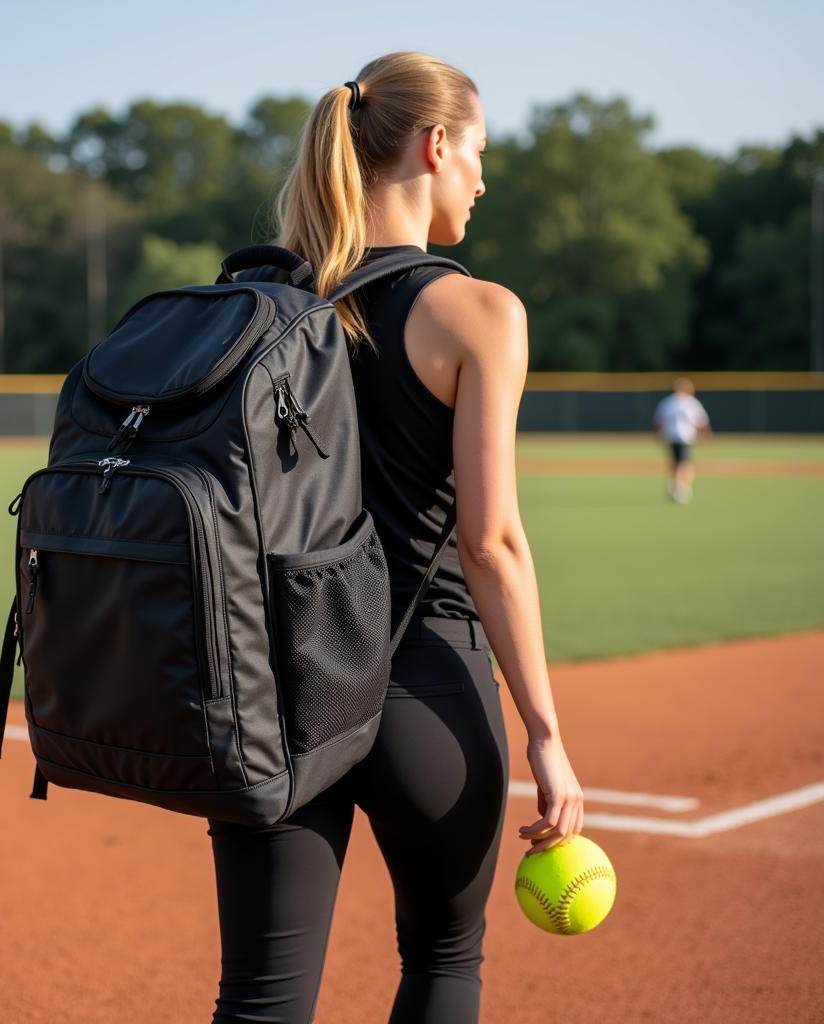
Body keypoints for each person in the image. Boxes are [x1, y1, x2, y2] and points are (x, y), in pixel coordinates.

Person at [206, 51, 584, 1024]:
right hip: (428, 692)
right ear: (436, 143)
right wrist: (547, 734)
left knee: (260, 999)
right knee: (444, 961)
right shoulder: (479, 312)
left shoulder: (267, 306)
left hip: (278, 691)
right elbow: (491, 540)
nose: (483, 179)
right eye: (481, 154)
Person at [652, 377, 712, 503]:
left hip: (671, 436)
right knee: (685, 463)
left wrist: (658, 435)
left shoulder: (667, 402)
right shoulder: (691, 402)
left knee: (676, 462)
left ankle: (674, 484)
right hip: (685, 436)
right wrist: (704, 435)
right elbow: (701, 422)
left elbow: (658, 422)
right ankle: (680, 487)